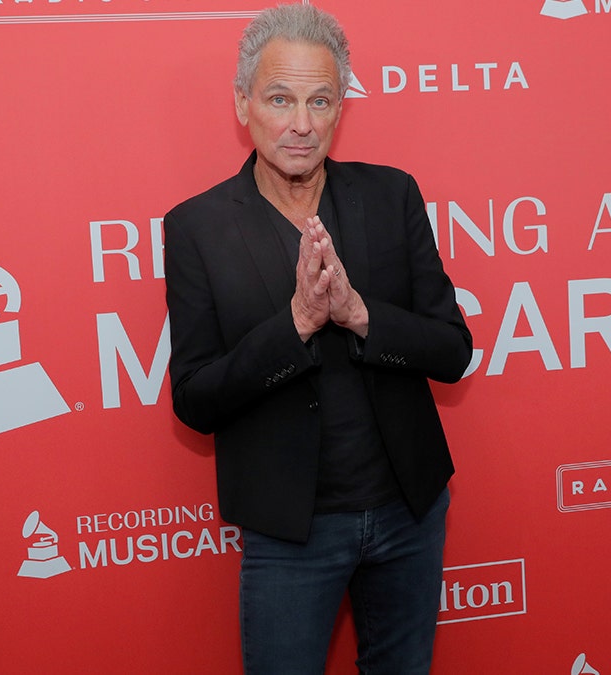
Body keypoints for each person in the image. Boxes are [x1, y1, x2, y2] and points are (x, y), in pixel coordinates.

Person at [163, 4, 472, 673]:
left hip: (409, 513)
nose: (301, 124)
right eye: (280, 99)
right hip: (290, 530)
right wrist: (297, 324)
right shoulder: (198, 227)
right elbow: (193, 398)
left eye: (320, 100)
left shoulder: (393, 196)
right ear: (244, 104)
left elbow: (453, 350)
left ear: (340, 108)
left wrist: (359, 313)